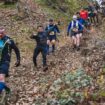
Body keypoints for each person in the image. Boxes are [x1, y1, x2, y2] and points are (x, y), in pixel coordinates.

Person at [0, 28, 20, 93]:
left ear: (5, 33)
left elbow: (16, 50)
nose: (0, 34)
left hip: (5, 61)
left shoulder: (9, 41)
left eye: (2, 33)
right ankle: (6, 89)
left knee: (1, 77)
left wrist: (18, 59)